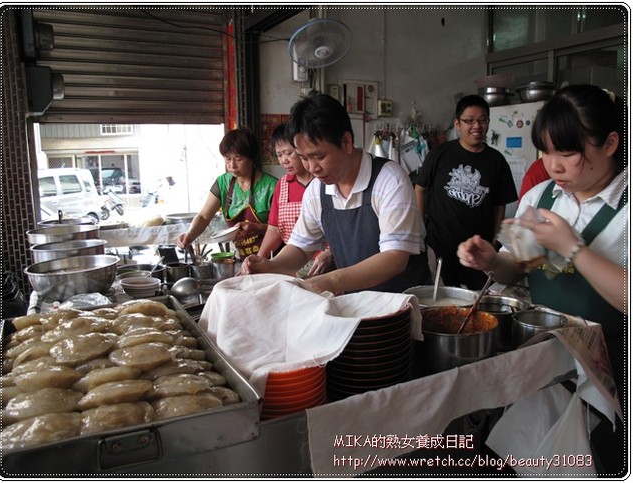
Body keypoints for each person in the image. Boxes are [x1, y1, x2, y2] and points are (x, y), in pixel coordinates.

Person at [457, 85, 626, 476]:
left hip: (613, 370)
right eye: (546, 151)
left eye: (567, 152)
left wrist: (573, 248)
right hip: (545, 362)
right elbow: (520, 268)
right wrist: (491, 261)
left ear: (611, 143)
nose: (554, 166)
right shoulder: (542, 196)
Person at [242, 93, 431, 294]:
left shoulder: (389, 180)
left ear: (346, 142)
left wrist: (333, 281)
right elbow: (300, 247)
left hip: (404, 303)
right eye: (304, 158)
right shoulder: (317, 191)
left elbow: (395, 258)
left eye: (319, 156)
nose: (312, 167)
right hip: (357, 304)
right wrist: (271, 266)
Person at [415, 94, 518, 289]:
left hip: (477, 250)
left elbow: (499, 205)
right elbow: (420, 189)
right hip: (439, 246)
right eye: (469, 121)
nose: (477, 126)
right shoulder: (440, 154)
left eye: (482, 120)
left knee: (474, 301)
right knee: (440, 298)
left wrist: (495, 240)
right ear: (457, 123)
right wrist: (420, 230)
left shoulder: (496, 161)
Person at [177, 127, 278, 259]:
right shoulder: (223, 183)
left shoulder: (272, 186)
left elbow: (281, 229)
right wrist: (189, 235)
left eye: (238, 159)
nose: (232, 165)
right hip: (243, 257)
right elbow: (203, 217)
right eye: (227, 159)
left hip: (273, 257)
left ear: (251, 158)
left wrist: (257, 228)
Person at [257, 123, 334, 277]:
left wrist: (331, 253)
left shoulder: (326, 182)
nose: (284, 160)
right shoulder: (283, 185)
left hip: (327, 265)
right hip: (293, 263)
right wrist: (259, 260)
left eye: (288, 153)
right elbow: (274, 229)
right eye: (279, 155)